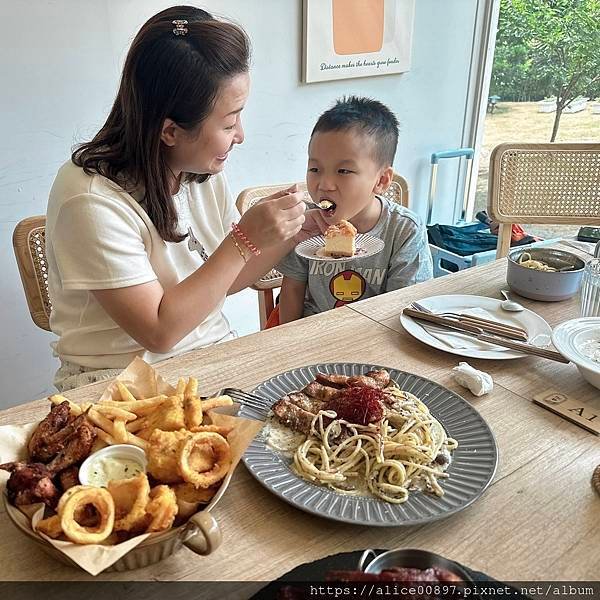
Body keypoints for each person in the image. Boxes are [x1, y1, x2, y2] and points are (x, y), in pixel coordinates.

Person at [46, 6, 316, 391]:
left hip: (212, 358)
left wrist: (293, 233)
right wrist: (243, 240)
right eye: (228, 122)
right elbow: (159, 331)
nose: (240, 135)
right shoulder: (88, 198)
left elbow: (224, 279)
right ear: (170, 131)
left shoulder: (199, 172)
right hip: (116, 383)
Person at [277, 96, 433, 324]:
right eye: (315, 168)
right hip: (315, 333)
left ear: (381, 181)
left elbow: (406, 304)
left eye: (343, 171)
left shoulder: (403, 230)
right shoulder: (308, 226)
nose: (324, 184)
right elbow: (292, 289)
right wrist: (286, 347)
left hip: (379, 333)